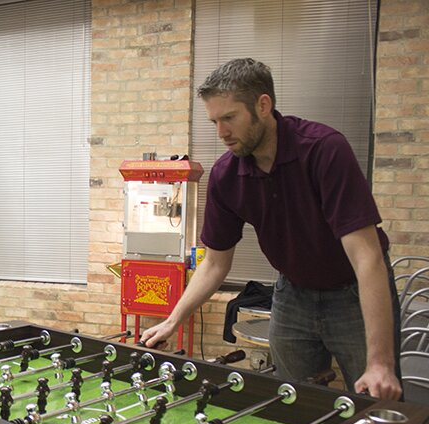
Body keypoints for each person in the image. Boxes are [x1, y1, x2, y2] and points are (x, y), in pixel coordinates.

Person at [140, 58, 402, 401]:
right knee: (295, 403)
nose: (221, 133)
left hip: (352, 294)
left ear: (263, 105)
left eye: (229, 118)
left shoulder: (324, 150)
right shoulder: (225, 176)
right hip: (293, 295)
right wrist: (173, 320)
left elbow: (367, 256)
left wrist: (381, 363)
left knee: (374, 403)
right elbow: (215, 263)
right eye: (214, 121)